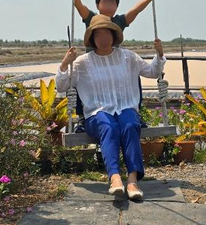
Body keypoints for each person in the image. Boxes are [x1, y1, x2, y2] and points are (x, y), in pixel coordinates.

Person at [56, 14, 166, 201]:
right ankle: (115, 177)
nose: (103, 38)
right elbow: (62, 86)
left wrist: (160, 54)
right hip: (96, 113)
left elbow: (153, 72)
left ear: (114, 36)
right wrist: (65, 63)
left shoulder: (128, 57)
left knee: (130, 125)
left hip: (125, 108)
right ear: (92, 39)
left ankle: (132, 180)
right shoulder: (82, 62)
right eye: (98, 34)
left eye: (107, 33)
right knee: (108, 127)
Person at [68, 0, 158, 132]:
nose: (108, 6)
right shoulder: (91, 18)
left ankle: (136, 113)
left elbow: (136, 10)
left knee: (133, 77)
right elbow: (79, 6)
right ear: (97, 6)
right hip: (93, 66)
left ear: (117, 6)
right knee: (78, 84)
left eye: (112, 3)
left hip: (116, 64)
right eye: (105, 3)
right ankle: (82, 118)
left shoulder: (119, 21)